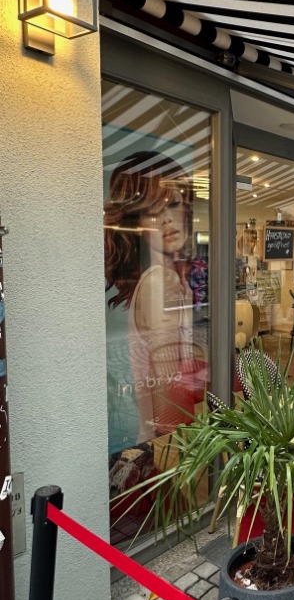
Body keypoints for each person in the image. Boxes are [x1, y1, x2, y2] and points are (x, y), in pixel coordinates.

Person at [104, 151, 202, 442]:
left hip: (164, 439)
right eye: (152, 210)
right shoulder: (161, 281)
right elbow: (169, 398)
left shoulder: (169, 279)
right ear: (137, 222)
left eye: (173, 203)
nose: (166, 219)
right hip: (172, 446)